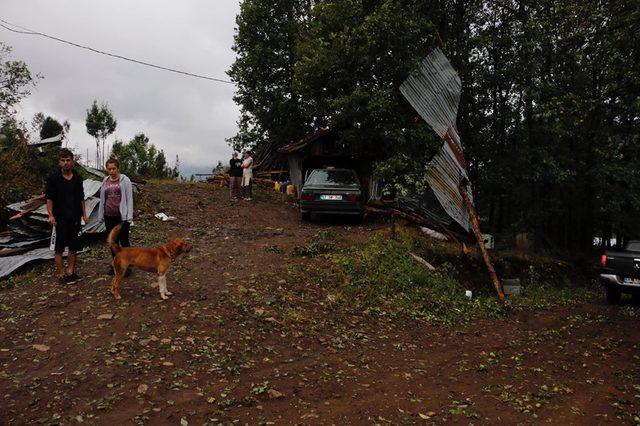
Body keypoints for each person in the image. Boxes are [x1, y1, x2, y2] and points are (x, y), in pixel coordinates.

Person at [45, 148, 88, 284]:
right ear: (59, 162)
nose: (65, 163)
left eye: (68, 160)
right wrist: (50, 215)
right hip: (59, 220)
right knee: (59, 248)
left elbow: (81, 198)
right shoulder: (53, 179)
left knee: (73, 247)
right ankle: (61, 274)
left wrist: (84, 215)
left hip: (74, 218)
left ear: (72, 162)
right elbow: (49, 198)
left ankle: (70, 271)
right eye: (63, 160)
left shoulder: (77, 178)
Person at [98, 157, 134, 275]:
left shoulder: (125, 180)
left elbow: (129, 199)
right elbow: (103, 198)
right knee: (112, 242)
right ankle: (115, 265)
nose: (111, 171)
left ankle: (127, 266)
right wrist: (101, 214)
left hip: (121, 216)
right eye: (109, 169)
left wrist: (129, 217)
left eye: (114, 168)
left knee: (124, 241)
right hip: (109, 215)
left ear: (118, 168)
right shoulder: (105, 181)